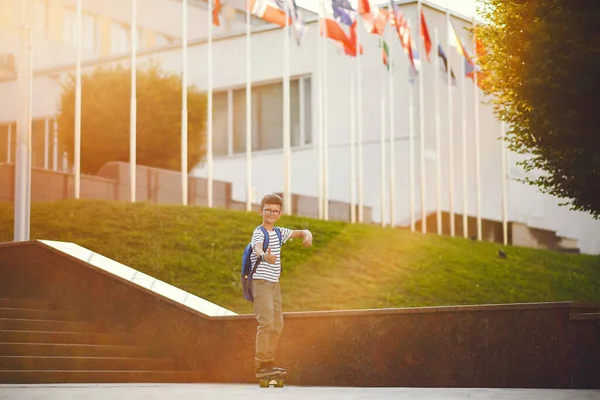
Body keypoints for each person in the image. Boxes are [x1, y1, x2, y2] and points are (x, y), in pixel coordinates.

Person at [250, 193, 313, 377]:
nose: (271, 213)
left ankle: (268, 362)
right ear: (260, 211)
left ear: (280, 214)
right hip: (261, 283)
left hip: (274, 285)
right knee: (266, 323)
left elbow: (301, 232)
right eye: (268, 210)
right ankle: (261, 364)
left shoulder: (278, 232)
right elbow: (257, 247)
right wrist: (264, 256)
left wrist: (307, 236)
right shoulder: (259, 232)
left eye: (275, 211)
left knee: (277, 325)